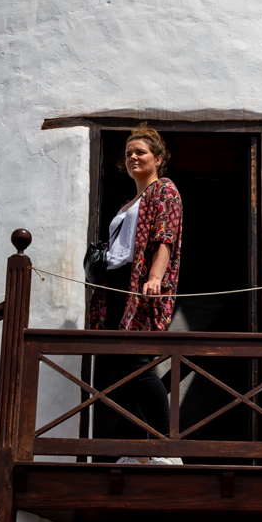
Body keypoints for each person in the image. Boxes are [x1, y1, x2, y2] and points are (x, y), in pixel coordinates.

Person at [89, 126, 183, 452]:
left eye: (140, 152)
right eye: (129, 153)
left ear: (158, 158)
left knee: (137, 364)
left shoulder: (164, 191)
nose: (133, 157)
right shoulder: (128, 201)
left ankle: (165, 446)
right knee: (121, 368)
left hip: (139, 284)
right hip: (114, 285)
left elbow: (165, 238)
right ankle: (140, 449)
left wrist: (155, 278)